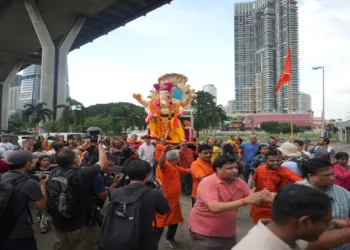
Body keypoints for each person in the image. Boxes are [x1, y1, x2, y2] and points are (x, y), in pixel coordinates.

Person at [188, 156, 270, 250]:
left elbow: (256, 201)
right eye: (229, 168)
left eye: (236, 168)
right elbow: (215, 207)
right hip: (204, 232)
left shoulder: (240, 183)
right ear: (218, 169)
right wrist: (245, 201)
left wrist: (263, 197)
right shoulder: (208, 182)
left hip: (227, 231)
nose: (235, 171)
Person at [233, 184, 350, 250]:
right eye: (328, 222)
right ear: (305, 222)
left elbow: (312, 244)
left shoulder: (280, 233)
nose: (330, 225)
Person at [50, 140, 109, 250]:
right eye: (77, 158)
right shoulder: (82, 174)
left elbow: (66, 157)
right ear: (76, 162)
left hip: (59, 222)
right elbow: (103, 162)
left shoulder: (54, 173)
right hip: (79, 223)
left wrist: (82, 147)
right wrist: (100, 144)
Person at [101, 160, 170, 250]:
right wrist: (160, 192)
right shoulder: (154, 194)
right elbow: (165, 210)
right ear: (147, 176)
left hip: (116, 237)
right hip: (143, 239)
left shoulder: (116, 192)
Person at [297, 158, 350, 250]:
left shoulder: (342, 192)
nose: (332, 178)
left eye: (333, 173)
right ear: (311, 176)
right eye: (326, 175)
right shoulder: (294, 192)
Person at [0, 150, 48, 250]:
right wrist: (43, 185)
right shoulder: (29, 183)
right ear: (27, 163)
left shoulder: (2, 178)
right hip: (20, 234)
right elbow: (42, 206)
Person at [250, 150, 303, 224]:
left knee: (274, 229)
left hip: (276, 206)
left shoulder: (286, 172)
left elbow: (302, 182)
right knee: (259, 228)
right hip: (259, 206)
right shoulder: (260, 169)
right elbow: (254, 180)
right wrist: (251, 194)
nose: (275, 163)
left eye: (278, 160)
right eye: (272, 161)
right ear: (265, 161)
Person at [155, 146, 190, 249]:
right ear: (177, 158)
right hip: (164, 201)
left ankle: (170, 238)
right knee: (160, 223)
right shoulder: (165, 166)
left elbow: (187, 171)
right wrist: (164, 152)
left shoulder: (174, 166)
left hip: (174, 201)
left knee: (174, 221)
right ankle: (152, 243)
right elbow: (161, 163)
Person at [29, 155, 56, 233]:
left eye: (48, 160)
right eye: (44, 160)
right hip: (36, 191)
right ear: (40, 161)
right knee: (38, 208)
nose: (46, 162)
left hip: (49, 191)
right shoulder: (33, 170)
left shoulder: (53, 170)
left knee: (45, 208)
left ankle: (44, 225)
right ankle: (39, 216)